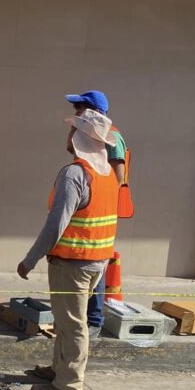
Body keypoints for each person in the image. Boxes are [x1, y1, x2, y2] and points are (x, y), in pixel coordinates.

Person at [16, 105, 119, 390]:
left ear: (80, 138)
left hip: (73, 262)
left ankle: (68, 385)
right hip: (96, 260)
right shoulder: (107, 173)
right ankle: (60, 369)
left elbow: (56, 224)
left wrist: (30, 259)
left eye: (73, 129)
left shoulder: (75, 174)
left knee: (73, 323)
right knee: (67, 318)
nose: (69, 133)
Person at [64, 90, 128, 336]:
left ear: (92, 111)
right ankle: (89, 316)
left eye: (79, 108)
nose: (76, 113)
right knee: (92, 262)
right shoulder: (90, 133)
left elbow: (117, 176)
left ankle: (94, 319)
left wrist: (97, 197)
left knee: (97, 261)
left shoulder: (111, 136)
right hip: (92, 209)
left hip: (100, 212)